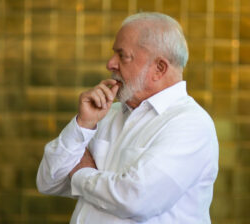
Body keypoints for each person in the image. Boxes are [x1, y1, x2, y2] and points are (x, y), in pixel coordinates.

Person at [36, 12, 219, 224]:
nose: (110, 64)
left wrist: (81, 171)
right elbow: (48, 181)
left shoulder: (191, 124)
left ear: (159, 68)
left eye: (122, 56)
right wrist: (83, 125)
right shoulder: (105, 114)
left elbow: (136, 199)